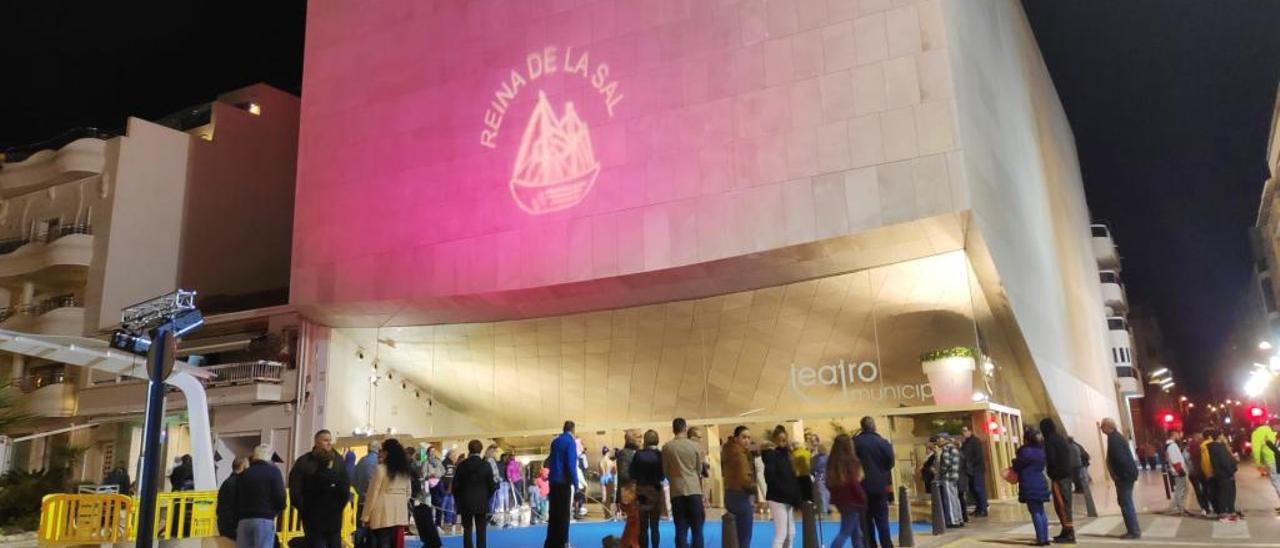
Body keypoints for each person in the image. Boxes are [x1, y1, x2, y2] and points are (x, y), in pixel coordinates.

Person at [289, 429, 351, 548]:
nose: (329, 443)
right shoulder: (304, 462)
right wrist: (304, 509)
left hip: (333, 518)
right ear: (317, 442)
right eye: (325, 440)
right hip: (312, 518)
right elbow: (295, 488)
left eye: (330, 440)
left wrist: (338, 508)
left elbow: (345, 487)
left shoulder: (338, 460)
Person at [662, 417, 705, 548]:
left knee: (680, 529)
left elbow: (665, 471)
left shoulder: (667, 447)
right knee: (697, 529)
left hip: (676, 491)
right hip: (694, 490)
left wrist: (674, 479)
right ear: (685, 428)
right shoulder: (695, 446)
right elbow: (699, 469)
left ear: (673, 429)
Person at [362, 438, 413, 547]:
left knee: (383, 543)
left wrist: (366, 516)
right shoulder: (405, 471)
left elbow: (372, 494)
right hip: (400, 514)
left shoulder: (380, 469)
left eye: (382, 450)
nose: (380, 453)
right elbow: (408, 493)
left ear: (387, 453)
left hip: (382, 513)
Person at [853, 417, 894, 548]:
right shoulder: (882, 442)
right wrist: (881, 472)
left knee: (865, 522)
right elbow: (890, 462)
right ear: (874, 426)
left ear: (862, 427)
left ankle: (870, 545)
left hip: (861, 487)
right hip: (879, 487)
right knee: (882, 521)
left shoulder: (855, 443)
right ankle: (887, 545)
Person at [235, 445, 285, 548]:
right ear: (269, 458)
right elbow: (280, 497)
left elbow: (236, 497)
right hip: (264, 519)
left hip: (244, 520)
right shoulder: (274, 472)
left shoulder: (244, 474)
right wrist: (276, 511)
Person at [453, 439, 497, 548]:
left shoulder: (461, 466)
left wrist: (459, 501)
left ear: (469, 449)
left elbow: (455, 487)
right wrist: (486, 497)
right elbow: (492, 486)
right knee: (481, 531)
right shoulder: (486, 465)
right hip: (481, 502)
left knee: (467, 531)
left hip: (465, 502)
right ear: (481, 450)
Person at [1101, 418, 1140, 539]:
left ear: (1108, 427)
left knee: (1126, 503)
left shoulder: (1114, 439)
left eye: (1102, 426)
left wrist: (1119, 475)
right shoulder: (1117, 437)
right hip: (1127, 475)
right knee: (1125, 502)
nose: (1101, 429)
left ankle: (1133, 531)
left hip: (1124, 477)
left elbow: (1120, 459)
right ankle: (1134, 530)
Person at [764, 425, 801, 548]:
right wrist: (785, 492)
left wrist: (795, 497)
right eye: (779, 440)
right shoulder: (771, 456)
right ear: (774, 441)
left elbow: (792, 479)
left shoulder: (789, 457)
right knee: (781, 534)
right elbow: (770, 478)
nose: (782, 443)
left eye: (784, 440)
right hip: (777, 499)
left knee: (791, 534)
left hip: (788, 499)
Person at [826, 434, 866, 548]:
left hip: (839, 500)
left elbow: (828, 482)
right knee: (845, 532)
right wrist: (862, 496)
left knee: (856, 532)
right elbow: (854, 482)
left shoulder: (832, 461)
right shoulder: (852, 461)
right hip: (853, 500)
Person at [1012, 427, 1050, 546]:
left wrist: (1014, 461)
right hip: (1040, 481)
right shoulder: (1041, 451)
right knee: (1041, 511)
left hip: (1029, 482)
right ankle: (1045, 537)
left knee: (1035, 511)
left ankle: (1041, 539)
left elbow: (1018, 466)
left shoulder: (1025, 452)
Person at [1038, 419, 1074, 543]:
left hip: (1059, 477)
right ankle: (1066, 530)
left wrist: (1050, 472)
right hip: (1066, 475)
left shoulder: (1049, 441)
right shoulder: (1060, 438)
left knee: (1062, 505)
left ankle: (1069, 533)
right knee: (1065, 503)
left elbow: (1051, 459)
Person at [545, 420, 579, 548]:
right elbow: (571, 465)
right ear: (573, 430)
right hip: (563, 483)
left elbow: (550, 461)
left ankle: (550, 543)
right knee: (564, 516)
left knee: (553, 515)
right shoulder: (570, 442)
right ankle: (563, 543)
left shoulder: (555, 442)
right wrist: (576, 484)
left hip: (553, 483)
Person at [721, 426, 756, 548]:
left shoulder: (727, 450)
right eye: (744, 437)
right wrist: (753, 488)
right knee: (744, 536)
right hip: (740, 495)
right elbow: (744, 478)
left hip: (729, 494)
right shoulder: (739, 454)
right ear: (736, 438)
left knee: (731, 535)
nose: (747, 440)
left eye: (748, 438)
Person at [631, 429, 665, 548]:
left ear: (645, 440)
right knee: (655, 526)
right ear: (657, 440)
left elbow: (632, 474)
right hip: (655, 491)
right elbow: (662, 475)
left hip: (642, 492)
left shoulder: (638, 454)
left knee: (643, 526)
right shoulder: (660, 455)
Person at [1208, 430, 1240, 522]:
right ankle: (1224, 514)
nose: (1224, 437)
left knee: (1225, 493)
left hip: (1220, 474)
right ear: (1219, 436)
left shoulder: (1213, 447)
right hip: (1225, 474)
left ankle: (1228, 512)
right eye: (1222, 435)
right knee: (1226, 494)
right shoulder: (1220, 447)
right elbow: (1225, 462)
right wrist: (1233, 467)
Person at [217, 456, 249, 545]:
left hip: (223, 523)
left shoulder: (226, 482)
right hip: (234, 525)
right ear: (243, 467)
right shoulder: (240, 483)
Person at [617, 430, 641, 548]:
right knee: (634, 520)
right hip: (629, 492)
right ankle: (632, 544)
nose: (640, 439)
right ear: (629, 439)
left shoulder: (633, 452)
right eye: (637, 437)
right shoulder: (625, 453)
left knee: (633, 522)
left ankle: (625, 544)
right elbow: (623, 475)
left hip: (633, 491)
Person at [1252, 417, 1280, 512]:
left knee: (1277, 481)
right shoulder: (1274, 431)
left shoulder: (1258, 432)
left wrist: (1258, 463)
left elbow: (1256, 449)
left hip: (1273, 460)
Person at [936, 434, 964, 528]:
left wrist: (940, 473)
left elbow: (946, 463)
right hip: (954, 476)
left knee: (949, 499)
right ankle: (959, 518)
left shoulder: (947, 448)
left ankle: (953, 520)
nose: (938, 441)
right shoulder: (954, 448)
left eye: (939, 438)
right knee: (955, 498)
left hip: (947, 477)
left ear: (945, 439)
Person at [960, 426, 989, 517]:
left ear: (970, 431)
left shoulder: (975, 441)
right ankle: (979, 508)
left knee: (979, 489)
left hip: (977, 469)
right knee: (973, 490)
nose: (964, 433)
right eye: (963, 431)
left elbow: (977, 456)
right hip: (970, 470)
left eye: (965, 430)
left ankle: (983, 509)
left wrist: (971, 465)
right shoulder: (966, 442)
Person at [1164, 429, 1190, 515]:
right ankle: (1179, 507)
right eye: (1179, 434)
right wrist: (1180, 470)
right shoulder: (1172, 445)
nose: (1180, 436)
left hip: (1177, 470)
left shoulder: (1170, 445)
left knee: (1180, 489)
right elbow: (1175, 459)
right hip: (1178, 471)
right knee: (1180, 489)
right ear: (1174, 434)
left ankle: (1179, 506)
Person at [355, 441, 382, 523]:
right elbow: (373, 484)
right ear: (379, 450)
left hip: (360, 499)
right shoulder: (377, 462)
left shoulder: (361, 460)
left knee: (359, 527)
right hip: (371, 502)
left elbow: (354, 480)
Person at [1186, 432, 1211, 516]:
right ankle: (1206, 507)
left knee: (1199, 491)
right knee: (1204, 490)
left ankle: (1204, 507)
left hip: (1193, 473)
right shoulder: (1202, 447)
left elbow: (1186, 461)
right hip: (1200, 472)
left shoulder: (1188, 448)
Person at [810, 434, 831, 515]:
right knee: (821, 493)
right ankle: (822, 509)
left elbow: (813, 466)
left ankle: (824, 509)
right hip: (820, 477)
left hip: (823, 477)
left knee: (824, 493)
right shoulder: (815, 456)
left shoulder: (824, 457)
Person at [1199, 430, 1217, 517]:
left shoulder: (1203, 446)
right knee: (1213, 491)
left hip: (1208, 472)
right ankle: (1216, 508)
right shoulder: (1210, 445)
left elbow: (1204, 461)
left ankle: (1211, 507)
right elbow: (1209, 460)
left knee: (1209, 491)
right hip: (1213, 472)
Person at [793, 434, 814, 504]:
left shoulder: (794, 454)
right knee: (809, 493)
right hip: (807, 475)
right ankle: (811, 506)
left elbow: (793, 466)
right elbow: (811, 463)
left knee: (801, 494)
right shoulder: (807, 453)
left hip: (798, 476)